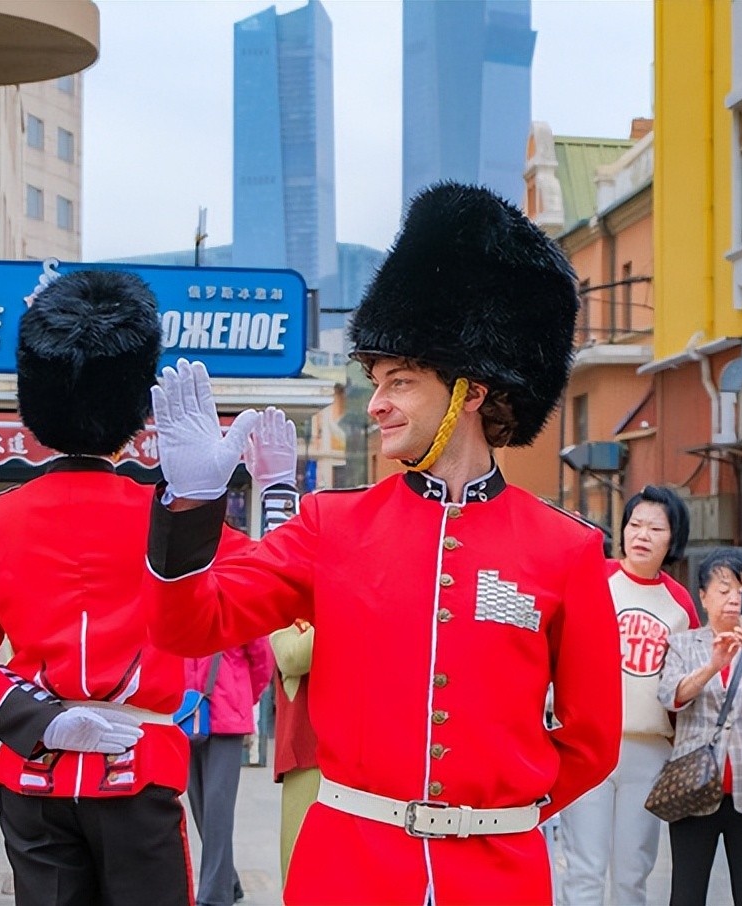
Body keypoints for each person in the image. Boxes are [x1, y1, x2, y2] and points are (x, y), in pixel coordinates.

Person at [143, 182, 622, 905]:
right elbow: (189, 624)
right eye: (377, 380)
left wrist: (496, 815)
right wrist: (191, 507)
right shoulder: (329, 526)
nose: (378, 404)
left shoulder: (566, 549)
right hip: (348, 871)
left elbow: (591, 742)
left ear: (474, 389)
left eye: (400, 380)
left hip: (500, 876)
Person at [0, 270, 266, 906]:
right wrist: (270, 493)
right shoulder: (164, 518)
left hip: (34, 773)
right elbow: (274, 579)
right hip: (139, 765)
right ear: (135, 415)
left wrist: (41, 721)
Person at [559, 484, 697, 906]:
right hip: (586, 743)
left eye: (656, 527)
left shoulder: (679, 604)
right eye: (635, 524)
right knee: (584, 868)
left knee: (633, 873)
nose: (642, 534)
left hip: (648, 750)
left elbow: (684, 683)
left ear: (673, 538)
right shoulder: (594, 579)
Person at [657, 548, 742, 906]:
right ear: (703, 596)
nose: (734, 599)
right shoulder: (684, 644)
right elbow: (670, 696)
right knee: (686, 894)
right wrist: (711, 667)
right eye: (723, 590)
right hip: (693, 786)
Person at [185, 639, 274, 906]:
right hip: (189, 713)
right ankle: (228, 879)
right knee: (200, 804)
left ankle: (214, 895)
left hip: (226, 715)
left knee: (217, 807)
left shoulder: (238, 600)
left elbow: (263, 663)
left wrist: (242, 697)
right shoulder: (185, 602)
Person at [270, 620, 317, 888]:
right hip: (307, 760)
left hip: (352, 760)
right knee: (299, 862)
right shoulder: (288, 625)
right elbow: (292, 657)